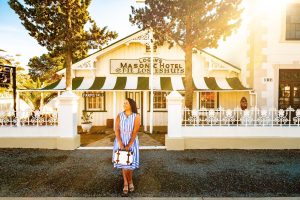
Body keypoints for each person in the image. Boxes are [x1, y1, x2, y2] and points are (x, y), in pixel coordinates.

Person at [112, 98, 141, 196]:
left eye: (126, 103)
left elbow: (135, 131)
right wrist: (120, 142)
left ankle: (130, 180)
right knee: (124, 164)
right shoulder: (119, 116)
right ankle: (126, 183)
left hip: (131, 141)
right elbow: (116, 129)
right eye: (123, 102)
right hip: (121, 140)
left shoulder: (136, 116)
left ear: (131, 104)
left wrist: (129, 144)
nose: (124, 104)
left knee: (130, 164)